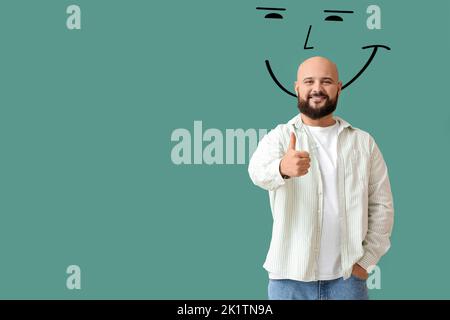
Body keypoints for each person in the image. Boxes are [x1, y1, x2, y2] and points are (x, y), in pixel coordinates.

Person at [248, 56, 394, 300]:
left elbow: (382, 206)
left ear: (339, 87)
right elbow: (256, 171)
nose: (317, 89)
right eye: (309, 81)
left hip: (348, 281)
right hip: (288, 282)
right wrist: (282, 168)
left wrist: (365, 263)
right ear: (297, 88)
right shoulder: (280, 137)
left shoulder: (364, 143)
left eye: (326, 81)